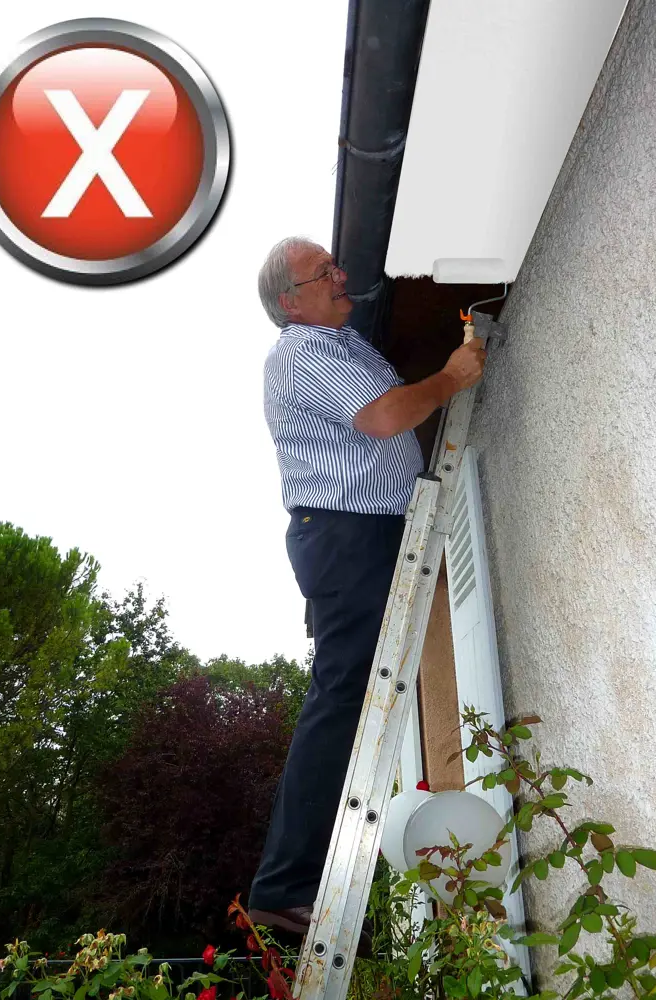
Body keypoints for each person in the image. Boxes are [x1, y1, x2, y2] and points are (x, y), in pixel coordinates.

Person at [248, 236, 486, 952]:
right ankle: (285, 887)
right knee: (343, 694)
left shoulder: (343, 346)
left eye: (334, 265)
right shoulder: (303, 350)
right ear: (291, 301)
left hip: (360, 531)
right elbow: (384, 417)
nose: (340, 274)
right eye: (322, 272)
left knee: (353, 693)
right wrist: (451, 377)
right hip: (346, 532)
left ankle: (289, 881)